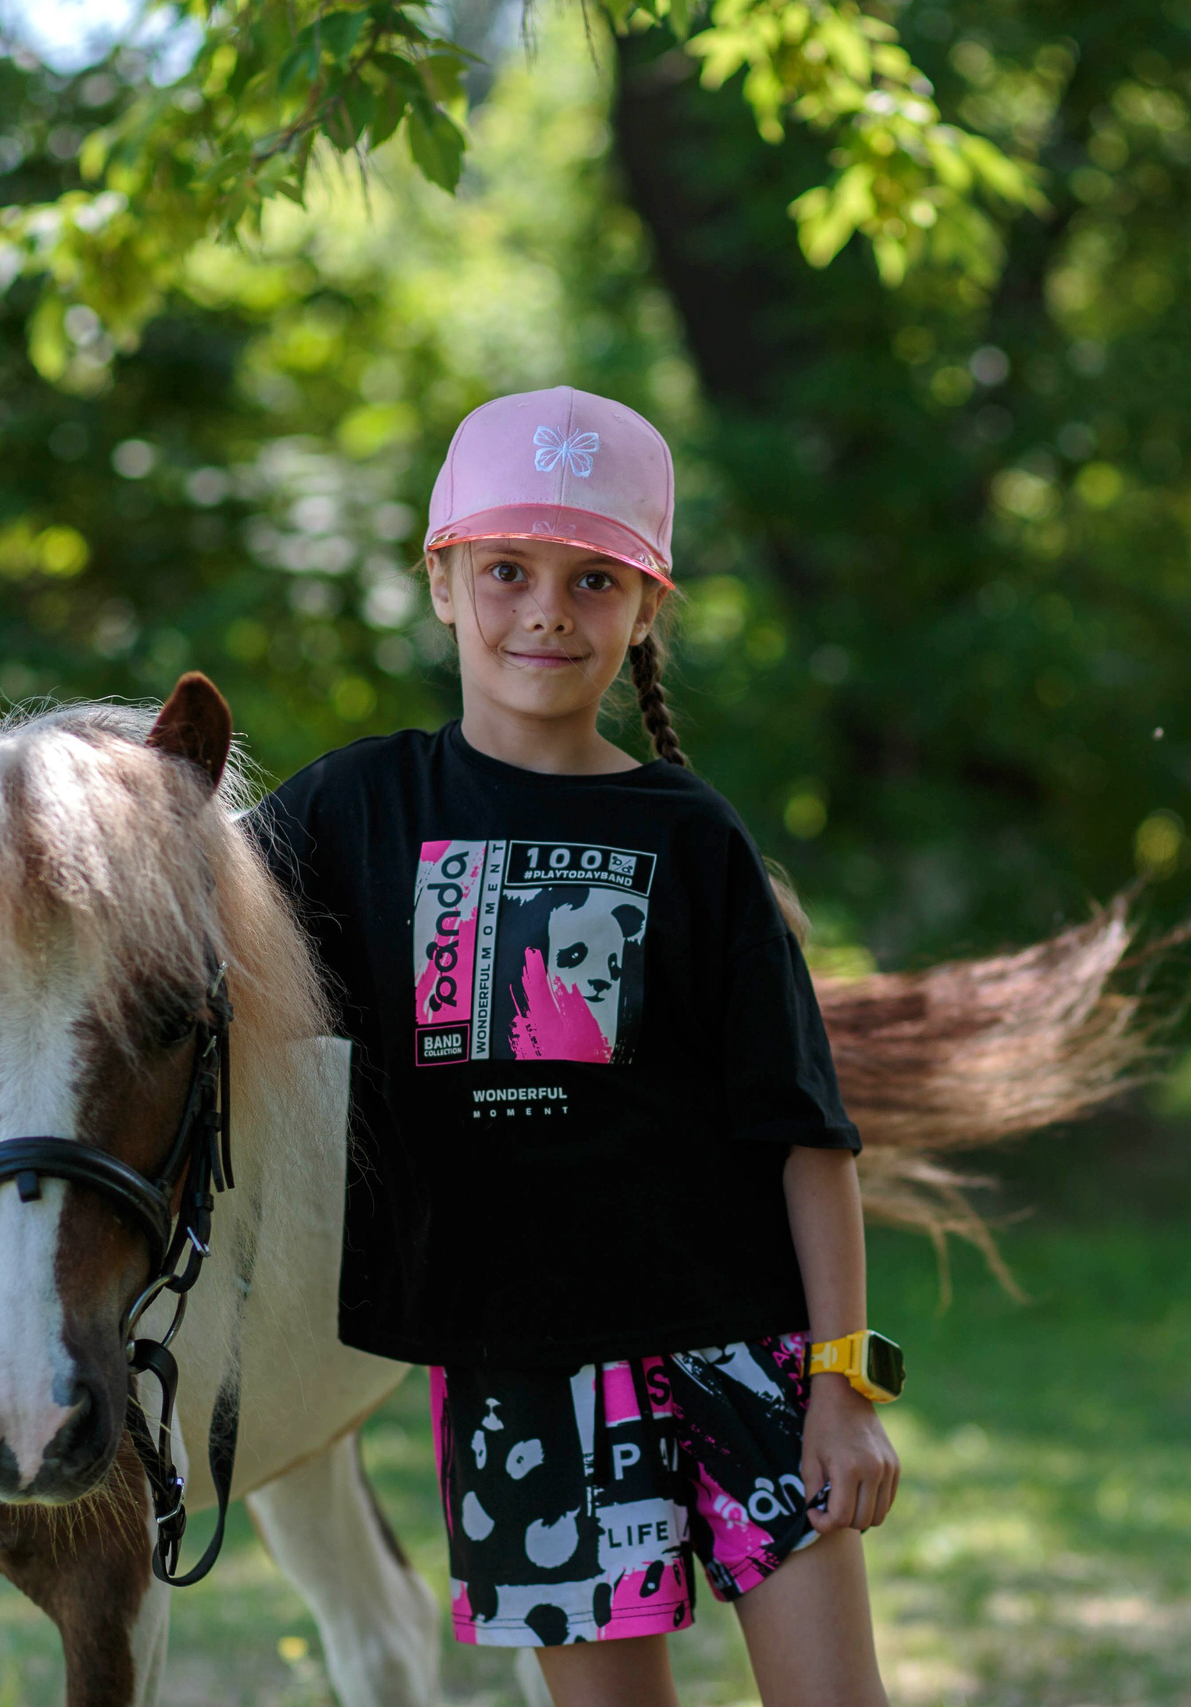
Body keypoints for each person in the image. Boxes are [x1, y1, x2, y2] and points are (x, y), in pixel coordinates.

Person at [252, 387, 901, 1707]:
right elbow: (181, 968)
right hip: (519, 1375)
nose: (547, 610)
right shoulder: (349, 813)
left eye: (595, 579)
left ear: (646, 610)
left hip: (748, 1354)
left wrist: (847, 1385)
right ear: (442, 583)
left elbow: (806, 1132)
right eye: (507, 571)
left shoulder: (695, 838)